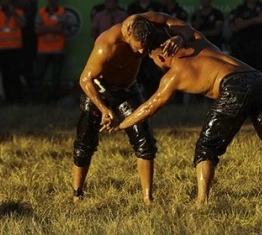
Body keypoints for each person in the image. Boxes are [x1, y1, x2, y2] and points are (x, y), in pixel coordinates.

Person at [111, 14, 262, 207]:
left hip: (233, 86)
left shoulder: (173, 75)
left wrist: (121, 124)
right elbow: (169, 21)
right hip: (259, 80)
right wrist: (163, 29)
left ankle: (201, 201)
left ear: (159, 56)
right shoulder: (197, 39)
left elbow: (149, 107)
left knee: (206, 148)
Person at [72, 12, 184, 205]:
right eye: (138, 48)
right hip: (99, 89)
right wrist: (103, 108)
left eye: (145, 50)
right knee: (84, 144)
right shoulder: (106, 45)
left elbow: (178, 27)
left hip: (128, 89)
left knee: (145, 142)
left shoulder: (147, 28)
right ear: (129, 35)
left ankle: (148, 199)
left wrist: (178, 38)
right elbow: (84, 79)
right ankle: (77, 194)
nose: (142, 54)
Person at [0, 0, 26, 104]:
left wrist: (13, 13)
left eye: (3, 0)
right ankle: (8, 99)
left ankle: (18, 98)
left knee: (16, 74)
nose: (1, 2)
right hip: (2, 49)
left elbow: (23, 24)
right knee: (5, 75)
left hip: (15, 49)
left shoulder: (18, 13)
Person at [229, 0, 262, 77]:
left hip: (260, 45)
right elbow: (238, 26)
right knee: (246, 75)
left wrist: (246, 22)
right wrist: (254, 19)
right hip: (245, 47)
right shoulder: (240, 9)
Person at [34, 0, 68, 103]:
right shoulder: (41, 12)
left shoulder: (62, 11)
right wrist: (54, 28)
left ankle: (53, 98)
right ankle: (39, 98)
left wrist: (45, 28)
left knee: (56, 76)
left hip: (58, 49)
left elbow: (61, 28)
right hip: (43, 50)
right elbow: (37, 30)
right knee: (39, 75)